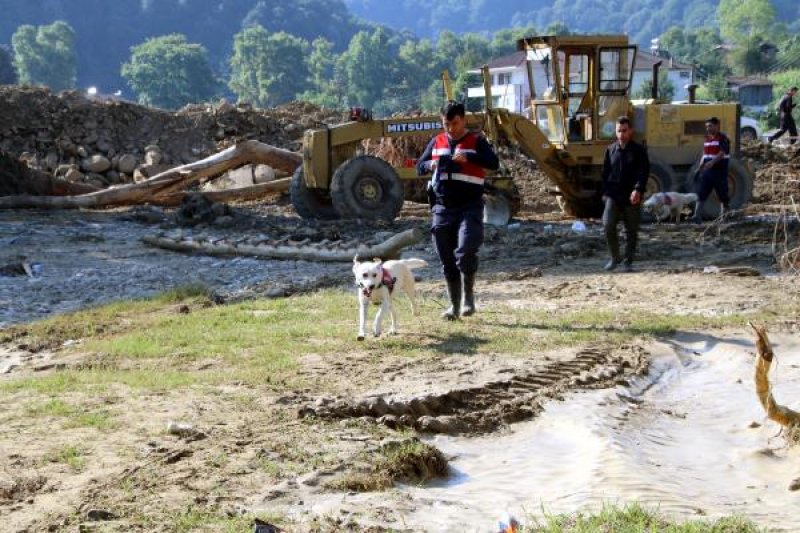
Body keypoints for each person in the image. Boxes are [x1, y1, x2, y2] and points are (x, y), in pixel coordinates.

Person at [417, 100, 499, 319]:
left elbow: (494, 163)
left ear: (463, 120)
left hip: (470, 207)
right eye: (446, 124)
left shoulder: (476, 141)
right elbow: (418, 166)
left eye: (454, 123)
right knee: (447, 259)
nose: (450, 128)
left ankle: (469, 298)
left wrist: (469, 157)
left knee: (465, 251)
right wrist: (429, 165)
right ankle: (454, 306)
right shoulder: (437, 141)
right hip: (443, 208)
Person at [600, 116, 649, 272]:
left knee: (631, 230)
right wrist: (605, 193)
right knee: (607, 224)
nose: (621, 134)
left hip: (631, 195)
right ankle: (615, 258)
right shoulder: (610, 150)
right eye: (619, 131)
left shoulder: (639, 150)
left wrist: (638, 189)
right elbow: (605, 172)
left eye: (624, 131)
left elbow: (643, 172)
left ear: (631, 131)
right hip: (613, 195)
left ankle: (628, 262)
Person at [691, 116, 730, 222]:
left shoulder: (723, 138)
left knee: (722, 194)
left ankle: (724, 217)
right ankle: (696, 216)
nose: (708, 128)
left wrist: (712, 162)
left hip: (719, 171)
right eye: (707, 126)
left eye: (710, 126)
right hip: (707, 172)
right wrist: (699, 168)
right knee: (701, 192)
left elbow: (722, 153)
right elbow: (705, 154)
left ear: (717, 126)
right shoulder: (707, 138)